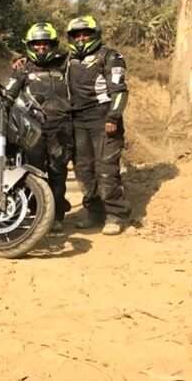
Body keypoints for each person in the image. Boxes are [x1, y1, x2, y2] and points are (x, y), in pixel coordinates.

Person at [65, 15, 131, 235]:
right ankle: (94, 213)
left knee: (106, 170)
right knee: (84, 170)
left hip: (103, 120)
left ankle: (115, 215)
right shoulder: (68, 59)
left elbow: (119, 91)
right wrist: (19, 59)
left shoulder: (110, 56)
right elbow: (39, 63)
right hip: (77, 121)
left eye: (86, 34)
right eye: (77, 35)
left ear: (96, 34)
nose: (82, 38)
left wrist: (113, 117)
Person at [5, 22, 72, 233]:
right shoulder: (23, 68)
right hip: (32, 129)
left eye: (45, 45)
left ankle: (57, 215)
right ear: (29, 46)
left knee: (57, 171)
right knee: (32, 171)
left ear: (53, 45)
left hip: (61, 128)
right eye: (36, 45)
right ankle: (34, 212)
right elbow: (8, 94)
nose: (40, 49)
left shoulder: (64, 65)